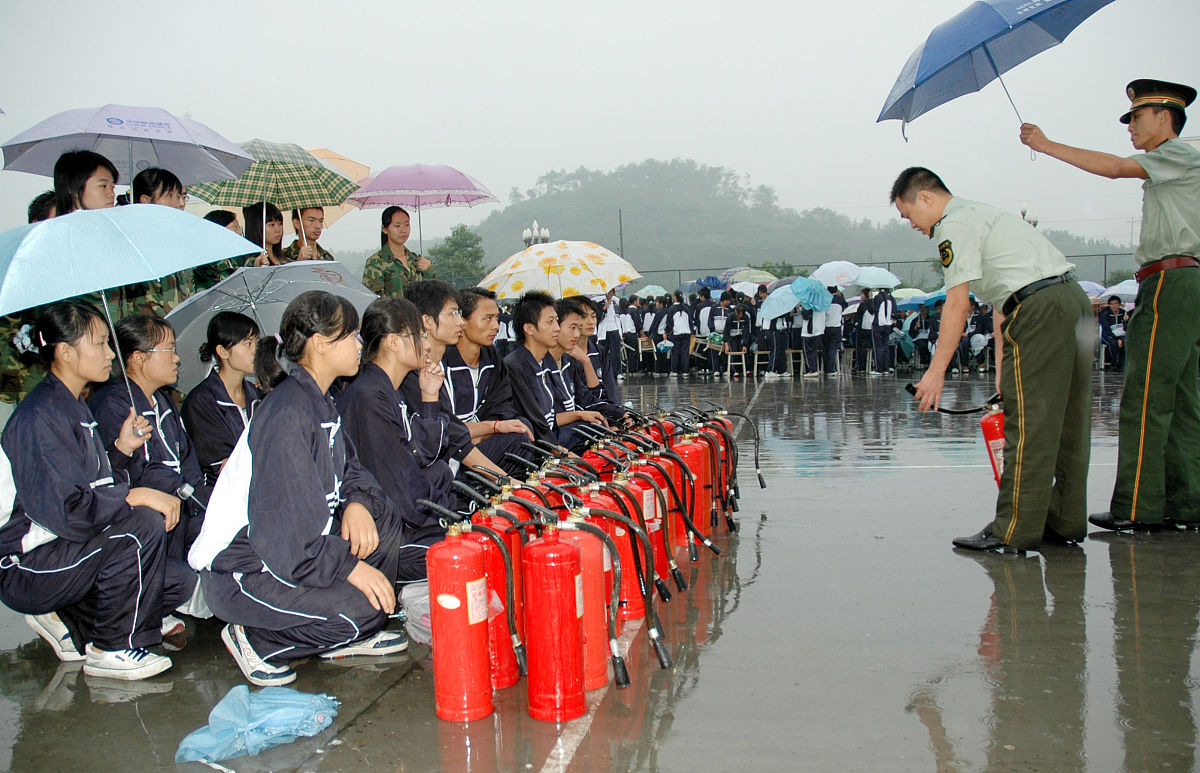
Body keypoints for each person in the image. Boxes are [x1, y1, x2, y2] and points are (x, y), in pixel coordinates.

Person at [189, 291, 409, 687]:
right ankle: (257, 640)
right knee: (365, 610)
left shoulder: (320, 402)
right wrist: (348, 567)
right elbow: (286, 537)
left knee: (382, 513)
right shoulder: (288, 412)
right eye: (352, 336)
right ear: (321, 344)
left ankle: (338, 632)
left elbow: (354, 470)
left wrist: (357, 502)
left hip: (292, 554)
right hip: (244, 568)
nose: (360, 344)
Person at [1020, 79, 1200, 531]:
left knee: (1145, 397)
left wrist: (1045, 144)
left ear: (1165, 116)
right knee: (1180, 398)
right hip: (1186, 279)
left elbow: (1117, 168)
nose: (1131, 128)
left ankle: (1137, 506)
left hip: (1171, 280)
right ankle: (1186, 503)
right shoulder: (1176, 166)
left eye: (1137, 118)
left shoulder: (1177, 153)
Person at [898, 166, 1093, 553]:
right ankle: (1066, 520)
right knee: (1070, 420)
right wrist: (1004, 374)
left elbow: (957, 304)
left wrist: (936, 374)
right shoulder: (983, 215)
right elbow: (1004, 303)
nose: (912, 225)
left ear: (925, 197)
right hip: (1070, 303)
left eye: (908, 215)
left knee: (1028, 425)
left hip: (1039, 311)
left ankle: (1012, 530)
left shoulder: (953, 226)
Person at [0, 301, 193, 679]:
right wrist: (132, 495)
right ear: (67, 352)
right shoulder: (40, 416)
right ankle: (112, 647)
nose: (110, 354)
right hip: (29, 563)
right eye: (101, 343)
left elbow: (89, 484)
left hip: (65, 550)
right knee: (142, 527)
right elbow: (69, 511)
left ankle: (70, 619)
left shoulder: (72, 405)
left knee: (177, 582)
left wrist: (121, 450)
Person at [337, 296, 452, 577]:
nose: (426, 344)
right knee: (463, 554)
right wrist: (445, 520)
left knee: (441, 472)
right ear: (392, 341)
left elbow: (423, 455)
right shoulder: (368, 397)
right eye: (419, 335)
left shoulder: (388, 389)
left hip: (402, 511)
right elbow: (397, 488)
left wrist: (429, 396)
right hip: (384, 532)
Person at [90, 315, 209, 564]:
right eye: (169, 349)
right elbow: (130, 473)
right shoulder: (113, 404)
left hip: (184, 507)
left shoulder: (162, 400)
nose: (176, 358)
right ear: (139, 358)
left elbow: (186, 458)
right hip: (147, 521)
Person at [402, 281, 508, 478]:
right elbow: (453, 436)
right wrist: (510, 483)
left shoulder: (437, 367)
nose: (460, 322)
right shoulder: (412, 376)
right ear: (426, 321)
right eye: (453, 314)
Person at [442, 288, 536, 475]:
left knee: (521, 427)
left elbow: (502, 406)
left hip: (480, 441)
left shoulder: (491, 357)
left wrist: (484, 432)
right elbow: (443, 427)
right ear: (463, 320)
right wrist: (488, 429)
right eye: (487, 318)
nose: (496, 326)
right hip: (450, 452)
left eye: (497, 319)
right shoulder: (443, 361)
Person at [181, 312, 261, 484]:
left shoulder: (257, 396)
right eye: (248, 344)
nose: (256, 350)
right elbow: (222, 463)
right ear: (223, 351)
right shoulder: (201, 402)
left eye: (257, 342)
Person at [505, 291, 568, 445]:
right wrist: (562, 454)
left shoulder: (545, 359)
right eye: (550, 322)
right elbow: (536, 422)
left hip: (551, 437)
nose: (557, 328)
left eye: (557, 321)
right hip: (535, 446)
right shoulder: (515, 366)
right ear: (529, 328)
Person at [547, 298, 610, 451]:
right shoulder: (533, 366)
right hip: (555, 437)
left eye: (593, 316)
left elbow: (593, 398)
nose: (577, 333)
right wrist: (579, 415)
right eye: (572, 327)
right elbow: (541, 421)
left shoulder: (569, 360)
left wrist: (620, 413)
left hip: (572, 428)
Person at [361, 207, 435, 297]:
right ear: (385, 229)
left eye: (407, 225)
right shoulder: (376, 262)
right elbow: (373, 301)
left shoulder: (416, 259)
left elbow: (431, 293)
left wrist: (428, 271)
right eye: (397, 226)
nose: (403, 230)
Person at [194, 210, 245, 291]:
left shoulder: (234, 262)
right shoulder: (204, 269)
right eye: (235, 227)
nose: (240, 232)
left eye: (239, 227)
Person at [868, 287, 895, 375]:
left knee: (878, 347)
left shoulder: (877, 298)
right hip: (887, 325)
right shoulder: (890, 298)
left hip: (878, 325)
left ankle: (879, 369)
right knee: (885, 347)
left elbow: (872, 310)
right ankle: (886, 368)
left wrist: (870, 299)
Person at [1097, 296, 1127, 371]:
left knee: (1125, 342)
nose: (1114, 306)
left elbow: (1126, 327)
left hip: (1121, 335)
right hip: (1107, 335)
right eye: (1112, 304)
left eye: (1116, 303)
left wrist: (1126, 320)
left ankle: (1121, 364)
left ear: (1119, 304)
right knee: (1113, 343)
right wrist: (1117, 338)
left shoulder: (1123, 313)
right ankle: (1113, 363)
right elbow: (1106, 329)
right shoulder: (1105, 315)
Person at [723, 303, 751, 379]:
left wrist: (745, 344)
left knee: (744, 351)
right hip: (732, 337)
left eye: (742, 314)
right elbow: (726, 331)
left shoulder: (746, 318)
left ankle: (746, 369)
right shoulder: (730, 317)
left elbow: (746, 332)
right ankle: (735, 370)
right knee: (734, 351)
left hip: (741, 336)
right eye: (739, 314)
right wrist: (726, 343)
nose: (740, 316)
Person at [824, 287, 846, 375]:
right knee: (833, 348)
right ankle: (831, 369)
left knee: (825, 348)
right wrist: (840, 295)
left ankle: (826, 368)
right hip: (836, 326)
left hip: (825, 327)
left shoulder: (825, 299)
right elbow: (845, 307)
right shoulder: (840, 299)